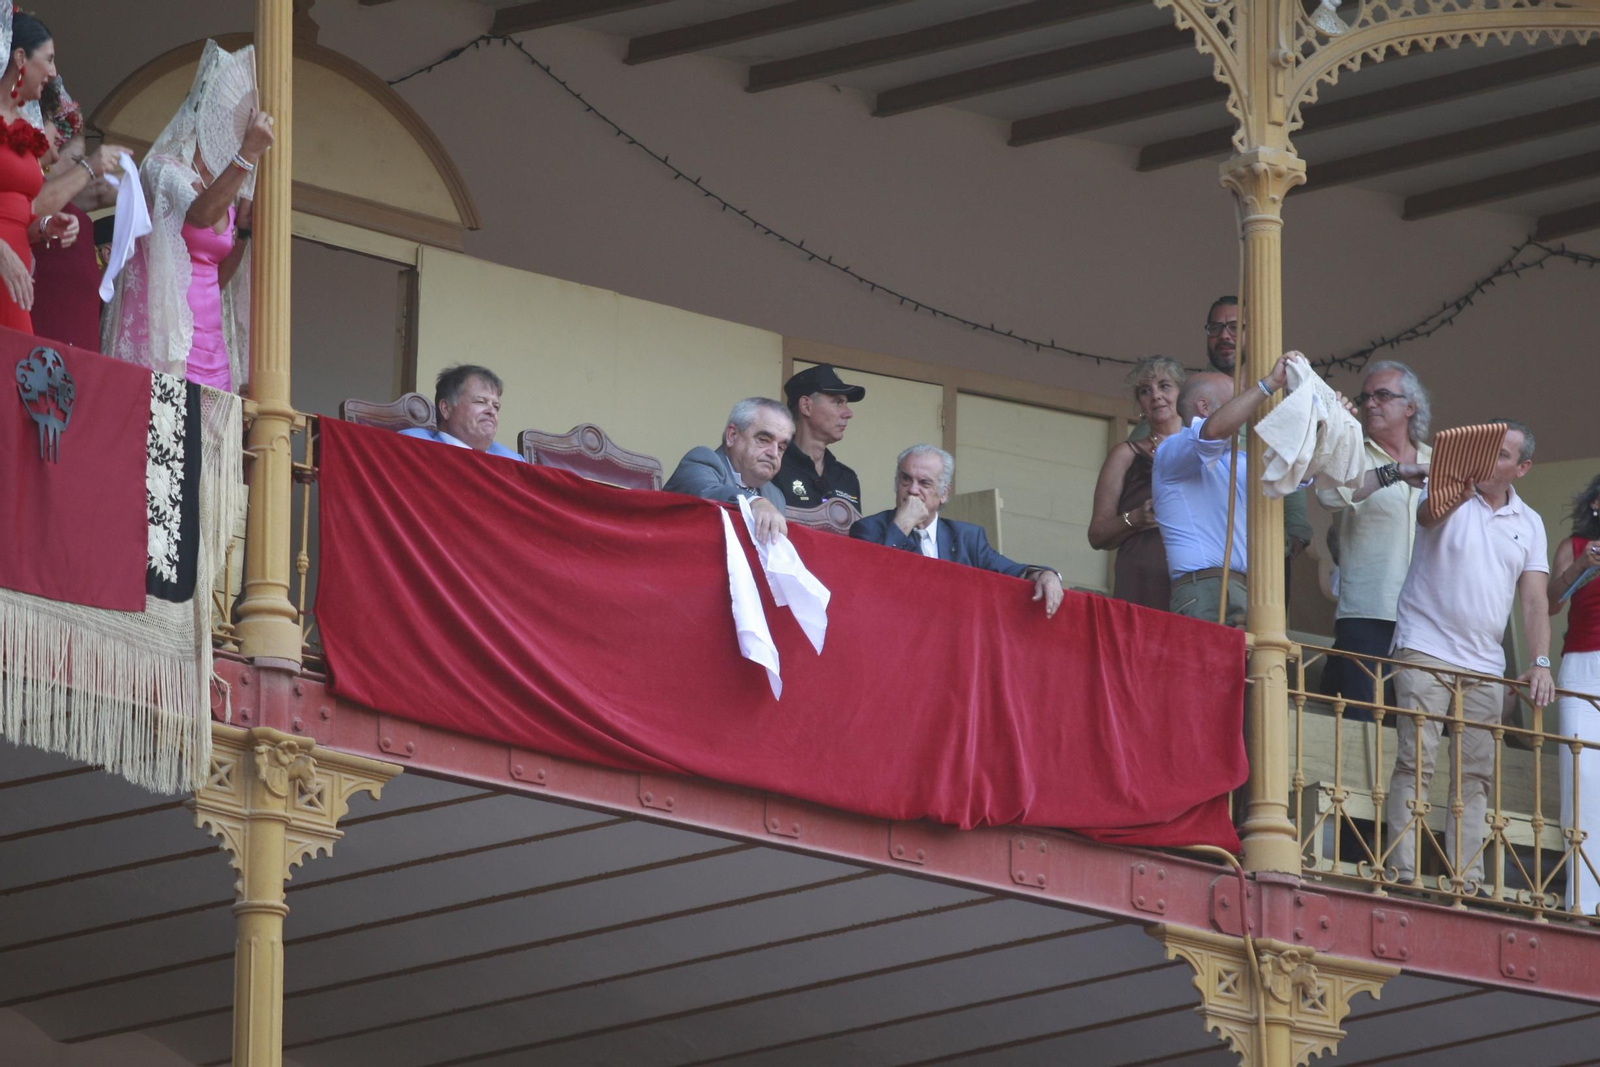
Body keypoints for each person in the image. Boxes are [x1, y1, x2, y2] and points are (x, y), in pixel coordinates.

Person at [1383, 421, 1551, 890]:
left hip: (1486, 666)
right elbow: (1427, 517)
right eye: (1486, 451)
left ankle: (1466, 881)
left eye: (1502, 455)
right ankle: (1402, 873)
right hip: (1425, 647)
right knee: (1415, 762)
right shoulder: (1448, 489)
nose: (1490, 461)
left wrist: (1540, 662)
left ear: (1522, 468)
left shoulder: (1530, 522)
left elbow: (1534, 601)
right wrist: (1456, 482)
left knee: (1476, 776)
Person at [104, 40, 274, 391]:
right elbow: (199, 215)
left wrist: (243, 235)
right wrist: (248, 154)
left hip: (213, 348)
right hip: (169, 341)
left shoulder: (225, 187)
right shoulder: (162, 169)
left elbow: (217, 276)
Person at [1315, 361, 1433, 713]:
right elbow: (1328, 495)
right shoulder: (1351, 450)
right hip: (1369, 611)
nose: (1370, 404)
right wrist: (1393, 472)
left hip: (1430, 616)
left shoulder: (1439, 459)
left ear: (1410, 406)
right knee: (1362, 721)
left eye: (1382, 395)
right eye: (1364, 397)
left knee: (1425, 725)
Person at [1153, 355, 1295, 627]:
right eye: (1236, 401)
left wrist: (1324, 423)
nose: (1247, 409)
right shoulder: (1171, 450)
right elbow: (1212, 432)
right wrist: (1267, 385)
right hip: (1203, 589)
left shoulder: (1240, 460)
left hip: (1245, 589)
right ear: (1204, 407)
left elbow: (1295, 475)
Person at [851, 444, 1064, 618]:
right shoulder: (868, 529)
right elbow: (868, 582)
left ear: (944, 493)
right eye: (906, 479)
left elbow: (1011, 571)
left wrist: (1045, 574)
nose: (913, 490)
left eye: (924, 483)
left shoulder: (967, 537)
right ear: (896, 483)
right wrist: (902, 525)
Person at [30, 78, 123, 351]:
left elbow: (102, 190)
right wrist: (90, 167)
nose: (83, 170)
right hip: (41, 344)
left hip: (79, 346)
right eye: (76, 161)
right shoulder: (35, 196)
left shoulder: (73, 207)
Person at [0, 12, 76, 331]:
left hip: (13, 280)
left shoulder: (26, 126)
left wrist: (47, 225)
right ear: (21, 58)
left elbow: (19, 217)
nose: (54, 72)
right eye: (49, 59)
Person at [1089, 356, 1185, 610]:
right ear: (1140, 404)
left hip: (1194, 577)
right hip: (1141, 575)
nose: (1156, 395)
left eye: (1164, 386)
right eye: (1145, 391)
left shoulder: (1202, 449)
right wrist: (1135, 518)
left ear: (1182, 394)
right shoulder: (1126, 454)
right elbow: (1097, 535)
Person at [1551, 474, 1600, 911]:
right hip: (1582, 670)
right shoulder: (1576, 545)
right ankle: (1582, 905)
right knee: (1580, 783)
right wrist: (1583, 564)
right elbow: (1551, 602)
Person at [664, 397, 792, 544]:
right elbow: (707, 492)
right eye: (763, 440)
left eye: (781, 447)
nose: (774, 453)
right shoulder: (702, 461)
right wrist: (754, 502)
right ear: (732, 436)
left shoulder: (775, 496)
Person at [776, 363, 864, 510]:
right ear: (806, 406)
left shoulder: (847, 478)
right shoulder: (773, 466)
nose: (849, 413)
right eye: (838, 402)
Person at [398, 364, 526, 462]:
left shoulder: (514, 461)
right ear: (446, 409)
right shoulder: (413, 445)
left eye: (496, 406)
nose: (492, 412)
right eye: (481, 402)